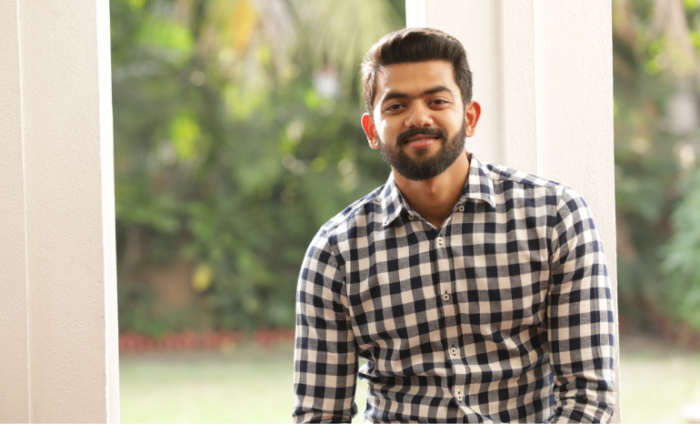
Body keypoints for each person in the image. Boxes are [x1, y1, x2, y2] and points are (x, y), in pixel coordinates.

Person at [293, 27, 615, 423]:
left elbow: (588, 396)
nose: (418, 117)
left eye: (437, 100)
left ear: (470, 116)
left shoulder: (555, 218)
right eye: (396, 106)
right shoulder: (336, 252)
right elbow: (320, 414)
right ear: (372, 130)